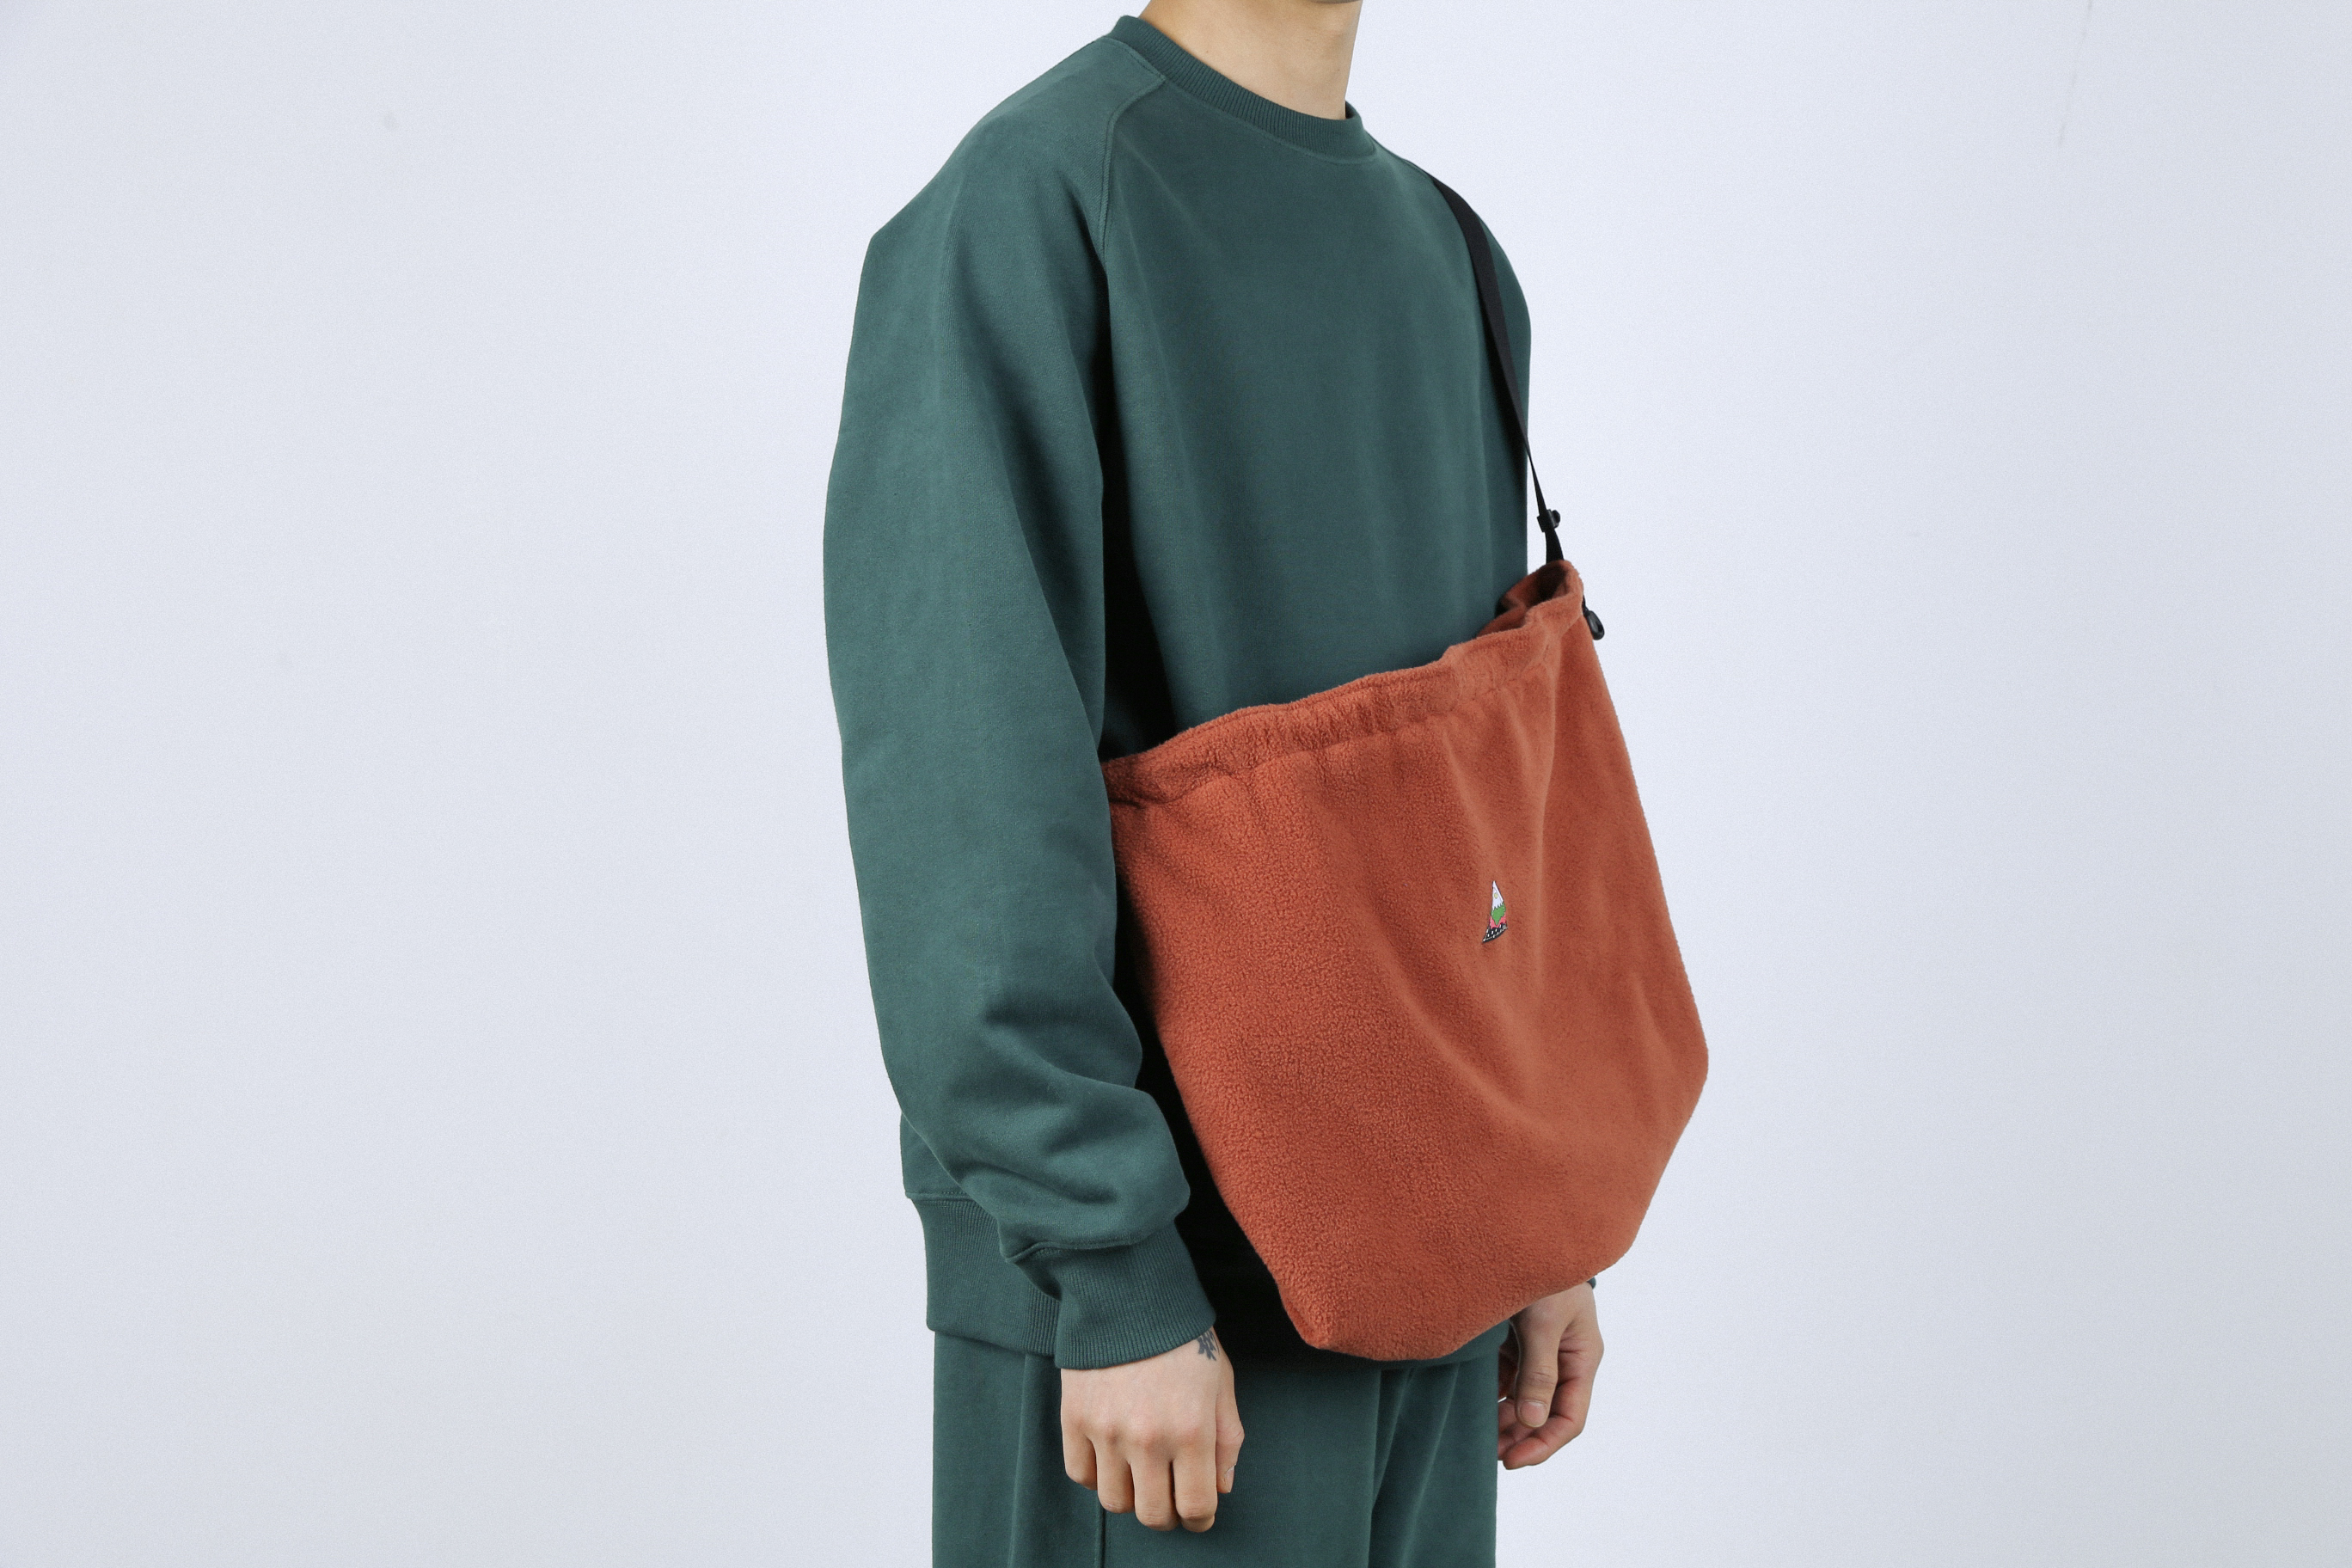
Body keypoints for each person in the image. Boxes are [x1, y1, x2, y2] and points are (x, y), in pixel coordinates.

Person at [824, 3, 1602, 1562]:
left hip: (1433, 1275)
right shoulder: (1029, 206)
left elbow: (1483, 778)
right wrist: (1110, 1271)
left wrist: (1535, 1220)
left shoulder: (1449, 249)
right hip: (1167, 1332)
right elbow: (967, 783)